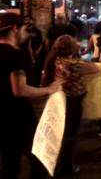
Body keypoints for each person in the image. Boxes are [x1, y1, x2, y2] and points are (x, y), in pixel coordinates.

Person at [0, 12, 61, 179]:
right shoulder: (14, 54)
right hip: (18, 115)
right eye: (23, 29)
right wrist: (49, 89)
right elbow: (19, 90)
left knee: (9, 163)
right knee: (38, 158)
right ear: (14, 29)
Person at [42, 35, 99, 176]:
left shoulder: (54, 59)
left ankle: (58, 164)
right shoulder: (72, 63)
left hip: (59, 99)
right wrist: (78, 53)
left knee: (61, 132)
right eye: (75, 43)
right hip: (72, 102)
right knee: (70, 135)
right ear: (71, 48)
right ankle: (66, 167)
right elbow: (95, 68)